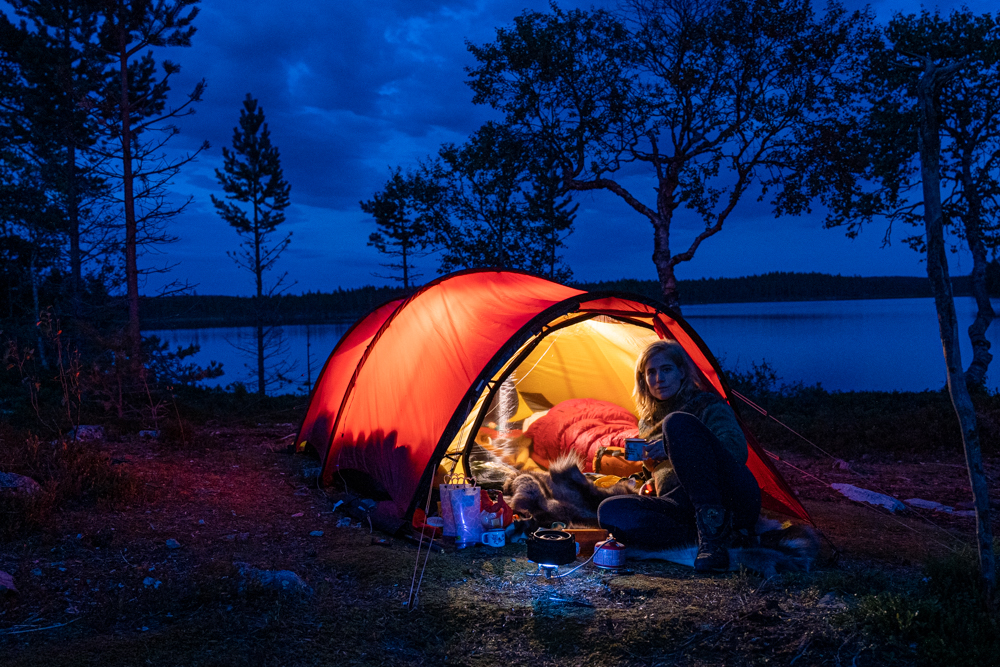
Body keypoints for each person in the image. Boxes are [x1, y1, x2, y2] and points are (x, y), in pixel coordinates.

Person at [597, 340, 761, 572]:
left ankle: (714, 541)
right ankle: (716, 536)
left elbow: (736, 451)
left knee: (676, 423)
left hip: (729, 496)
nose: (658, 379)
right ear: (643, 379)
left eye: (666, 370)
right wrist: (650, 480)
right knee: (610, 511)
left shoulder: (706, 405)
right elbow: (665, 472)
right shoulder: (646, 422)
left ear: (682, 372)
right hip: (681, 505)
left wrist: (671, 447)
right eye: (651, 372)